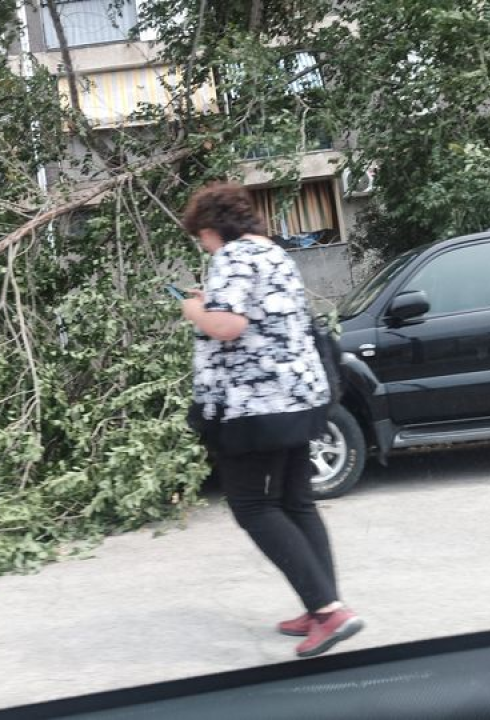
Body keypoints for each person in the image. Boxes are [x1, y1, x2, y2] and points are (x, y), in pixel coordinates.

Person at [179, 182, 364, 659]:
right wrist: (214, 302)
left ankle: (328, 612)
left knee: (254, 507)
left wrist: (194, 308)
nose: (201, 245)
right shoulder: (275, 254)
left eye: (200, 236)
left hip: (257, 405)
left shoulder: (232, 256)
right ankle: (323, 601)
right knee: (296, 502)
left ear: (212, 228)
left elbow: (227, 326)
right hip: (300, 398)